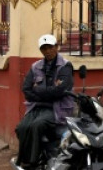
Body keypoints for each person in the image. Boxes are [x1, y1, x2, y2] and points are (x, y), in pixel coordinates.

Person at [15, 34, 75, 169]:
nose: (47, 51)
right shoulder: (35, 67)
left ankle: (32, 161)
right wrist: (49, 91)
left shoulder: (65, 66)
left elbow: (61, 91)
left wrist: (39, 90)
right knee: (21, 127)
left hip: (56, 108)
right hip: (36, 107)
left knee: (37, 125)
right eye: (44, 48)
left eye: (50, 47)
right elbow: (26, 90)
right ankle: (24, 158)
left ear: (56, 47)